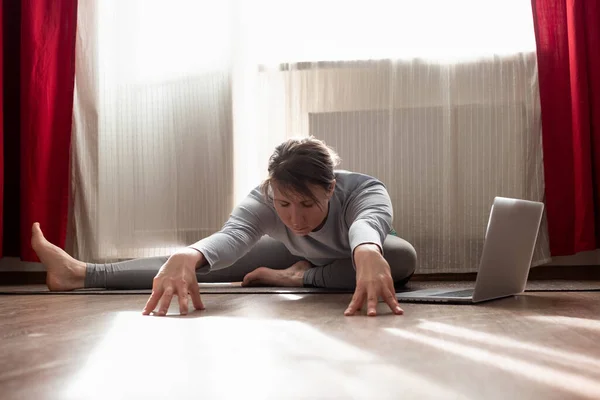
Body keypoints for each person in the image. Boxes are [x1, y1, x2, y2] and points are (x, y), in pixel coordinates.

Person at [32, 137, 417, 317]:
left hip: (360, 254)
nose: (295, 218)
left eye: (307, 204)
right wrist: (190, 253)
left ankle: (295, 278)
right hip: (296, 254)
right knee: (191, 263)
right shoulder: (266, 198)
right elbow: (232, 238)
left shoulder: (363, 188)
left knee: (400, 257)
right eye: (284, 204)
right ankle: (79, 273)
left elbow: (369, 222)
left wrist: (366, 250)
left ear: (330, 189)